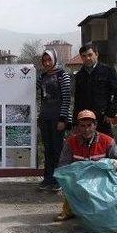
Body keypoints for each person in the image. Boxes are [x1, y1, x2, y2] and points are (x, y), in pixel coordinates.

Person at [54, 109, 117, 221]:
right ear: (77, 127)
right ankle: (69, 210)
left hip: (101, 182)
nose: (86, 129)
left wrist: (114, 163)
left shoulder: (107, 141)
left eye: (89, 125)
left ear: (95, 125)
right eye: (82, 126)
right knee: (68, 184)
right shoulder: (70, 142)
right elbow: (63, 165)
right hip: (79, 181)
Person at [37, 48, 71, 192]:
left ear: (55, 59)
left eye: (49, 59)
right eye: (44, 60)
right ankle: (48, 179)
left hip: (58, 118)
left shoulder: (63, 76)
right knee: (48, 149)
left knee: (58, 150)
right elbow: (30, 88)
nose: (47, 63)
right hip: (45, 118)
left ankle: (58, 180)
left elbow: (67, 99)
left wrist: (63, 119)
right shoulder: (42, 76)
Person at [72, 43, 117, 137]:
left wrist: (111, 113)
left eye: (90, 55)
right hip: (85, 121)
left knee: (106, 147)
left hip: (102, 119)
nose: (87, 58)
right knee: (86, 149)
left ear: (96, 54)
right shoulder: (80, 75)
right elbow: (77, 99)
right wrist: (75, 121)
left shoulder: (107, 71)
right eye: (84, 56)